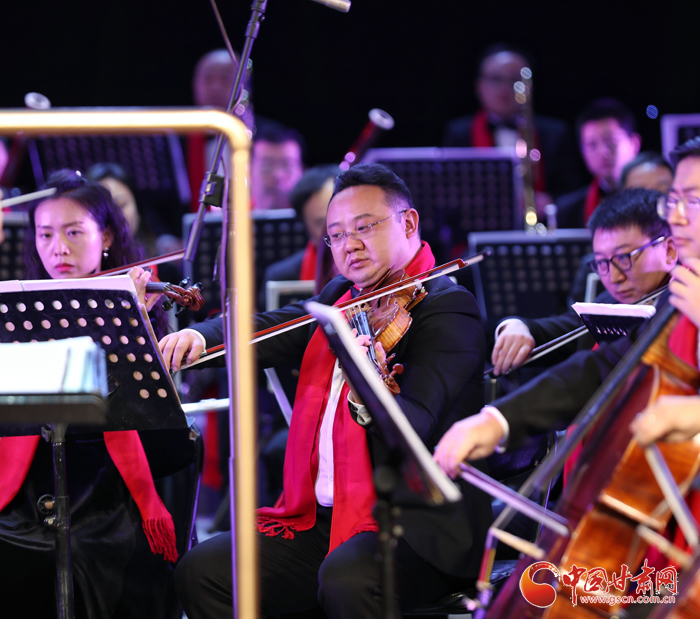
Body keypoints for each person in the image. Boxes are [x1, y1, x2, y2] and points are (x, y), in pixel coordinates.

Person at [161, 163, 492, 618]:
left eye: (364, 227)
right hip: (323, 520)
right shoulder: (343, 295)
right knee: (204, 571)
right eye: (336, 235)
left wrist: (369, 391)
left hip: (416, 525)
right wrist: (203, 336)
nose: (349, 244)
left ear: (409, 223)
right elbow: (276, 326)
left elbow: (417, 424)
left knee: (347, 578)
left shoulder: (448, 308)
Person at [433, 136, 700, 475]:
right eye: (674, 200)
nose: (677, 216)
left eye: (692, 200)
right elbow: (604, 367)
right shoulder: (683, 291)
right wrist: (499, 420)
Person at [0, 170, 182, 619]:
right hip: (31, 474)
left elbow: (146, 412)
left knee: (84, 555)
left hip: (106, 481)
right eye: (45, 234)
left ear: (106, 237)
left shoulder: (133, 302)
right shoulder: (18, 306)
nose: (58, 248)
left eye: (74, 232)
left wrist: (136, 321)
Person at [491, 188, 677, 375]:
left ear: (669, 251)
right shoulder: (609, 304)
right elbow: (560, 330)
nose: (614, 278)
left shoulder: (682, 310)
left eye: (623, 257)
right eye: (601, 262)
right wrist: (517, 326)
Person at [442, 43, 580, 199]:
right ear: (479, 86)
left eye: (515, 80)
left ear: (529, 87)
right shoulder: (459, 134)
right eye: (496, 79)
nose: (505, 88)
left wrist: (549, 202)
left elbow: (571, 193)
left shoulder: (555, 134)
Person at [556, 98, 641, 229]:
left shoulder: (656, 197)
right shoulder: (567, 211)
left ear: (634, 144)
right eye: (592, 145)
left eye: (610, 141)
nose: (603, 152)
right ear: (582, 152)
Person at [251, 122, 306, 211]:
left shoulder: (316, 216)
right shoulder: (233, 213)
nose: (277, 175)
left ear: (303, 171)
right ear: (248, 170)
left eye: (287, 166)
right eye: (267, 166)